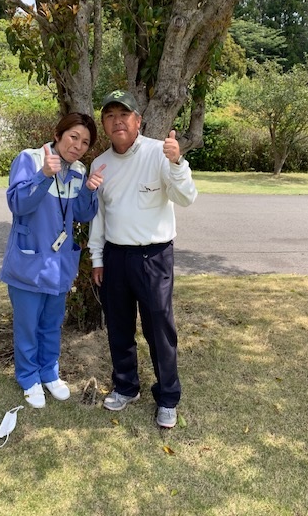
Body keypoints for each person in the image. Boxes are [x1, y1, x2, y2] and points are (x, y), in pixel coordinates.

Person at [88, 91, 197, 428]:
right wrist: (97, 258)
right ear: (104, 124)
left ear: (138, 121)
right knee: (119, 326)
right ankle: (126, 387)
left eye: (124, 114)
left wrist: (177, 163)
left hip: (154, 256)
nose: (117, 121)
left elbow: (186, 197)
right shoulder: (100, 163)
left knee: (159, 329)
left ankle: (167, 398)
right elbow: (99, 217)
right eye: (110, 116)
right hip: (115, 256)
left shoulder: (159, 152)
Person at [0, 113, 105, 408]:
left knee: (51, 324)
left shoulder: (78, 170)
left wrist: (89, 190)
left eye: (85, 142)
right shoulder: (31, 159)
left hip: (59, 265)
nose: (78, 146)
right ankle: (28, 377)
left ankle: (49, 372)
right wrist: (44, 175)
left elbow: (82, 214)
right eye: (73, 137)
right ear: (58, 135)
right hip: (29, 262)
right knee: (27, 326)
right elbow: (18, 203)